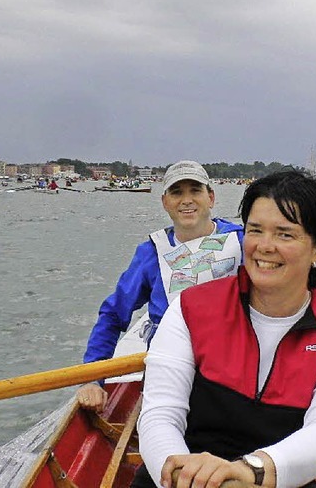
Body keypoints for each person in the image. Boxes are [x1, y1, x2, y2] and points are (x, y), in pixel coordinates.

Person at [135, 170, 316, 488]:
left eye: (285, 234)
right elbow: (160, 415)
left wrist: (249, 472)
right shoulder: (191, 308)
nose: (264, 246)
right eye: (255, 230)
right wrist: (182, 478)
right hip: (179, 477)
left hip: (276, 479)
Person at [77, 160, 244, 412]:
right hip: (169, 368)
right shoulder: (151, 254)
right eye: (177, 192)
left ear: (211, 197)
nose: (186, 200)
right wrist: (93, 378)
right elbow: (113, 314)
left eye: (195, 191)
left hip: (232, 367)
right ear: (165, 202)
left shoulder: (242, 241)